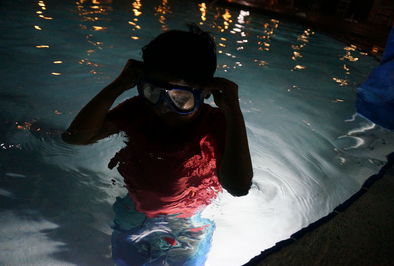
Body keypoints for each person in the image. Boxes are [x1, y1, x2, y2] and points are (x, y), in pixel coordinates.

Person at [62, 24, 253, 265]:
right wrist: (119, 85)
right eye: (153, 91)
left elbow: (238, 186)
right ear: (142, 83)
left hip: (189, 213)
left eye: (181, 98)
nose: (163, 106)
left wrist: (232, 110)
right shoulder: (138, 110)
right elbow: (74, 137)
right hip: (135, 205)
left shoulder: (215, 122)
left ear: (205, 93)